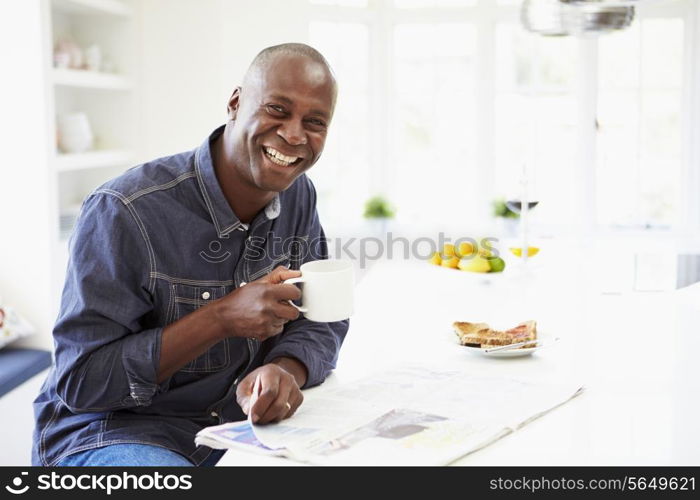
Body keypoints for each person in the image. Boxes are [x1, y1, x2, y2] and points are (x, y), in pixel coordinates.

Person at [32, 43, 348, 466]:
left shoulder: (297, 197)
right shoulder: (125, 210)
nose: (294, 135)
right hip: (114, 433)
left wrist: (285, 370)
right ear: (236, 103)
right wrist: (221, 318)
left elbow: (321, 317)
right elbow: (82, 381)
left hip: (233, 431)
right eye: (277, 109)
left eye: (315, 122)